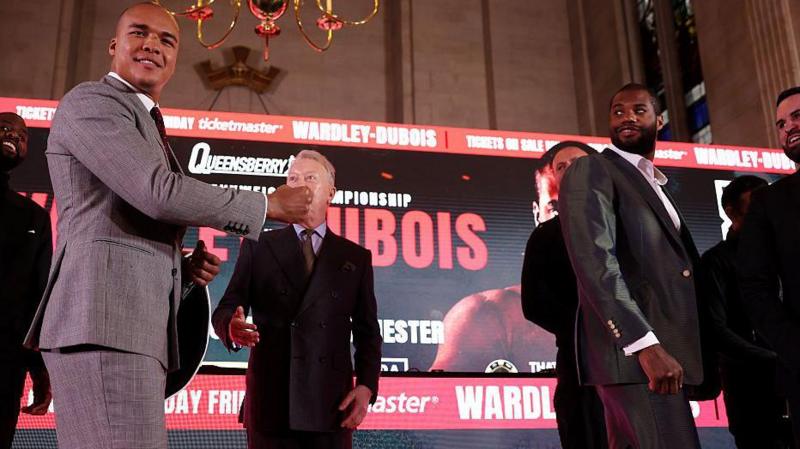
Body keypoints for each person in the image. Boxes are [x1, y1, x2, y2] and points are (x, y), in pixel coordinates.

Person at [22, 3, 311, 449]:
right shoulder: (91, 102)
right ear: (114, 46)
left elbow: (127, 219)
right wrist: (266, 205)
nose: (153, 45)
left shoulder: (146, 122)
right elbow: (157, 191)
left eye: (166, 40)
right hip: (102, 325)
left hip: (130, 329)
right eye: (140, 34)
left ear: (175, 59)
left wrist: (181, 271)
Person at [559, 83, 705, 449]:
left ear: (659, 121)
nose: (627, 117)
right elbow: (595, 263)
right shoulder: (591, 169)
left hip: (660, 358)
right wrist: (644, 345)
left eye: (639, 110)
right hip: (639, 360)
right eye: (618, 111)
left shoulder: (654, 183)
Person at [212, 150, 381, 449]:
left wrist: (366, 386)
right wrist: (230, 326)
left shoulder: (355, 257)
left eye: (310, 178)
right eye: (292, 178)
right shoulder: (258, 245)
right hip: (272, 407)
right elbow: (227, 306)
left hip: (332, 407)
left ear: (330, 192)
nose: (299, 185)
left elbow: (368, 333)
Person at [520, 140, 607, 449]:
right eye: (561, 167)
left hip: (640, 365)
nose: (569, 171)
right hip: (579, 366)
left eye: (578, 163)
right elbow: (534, 305)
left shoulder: (628, 222)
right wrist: (593, 326)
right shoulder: (544, 237)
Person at [699, 175, 789, 449]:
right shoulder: (716, 262)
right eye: (757, 202)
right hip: (749, 391)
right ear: (730, 211)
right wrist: (775, 357)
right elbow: (715, 330)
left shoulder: (785, 253)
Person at [738, 86, 800, 447]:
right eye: (780, 123)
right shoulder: (769, 203)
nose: (788, 127)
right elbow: (754, 287)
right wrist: (794, 349)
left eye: (796, 116)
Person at [0, 112, 52, 449]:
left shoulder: (35, 217)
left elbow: (38, 299)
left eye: (22, 135)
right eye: (4, 129)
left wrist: (40, 368)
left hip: (6, 368)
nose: (14, 137)